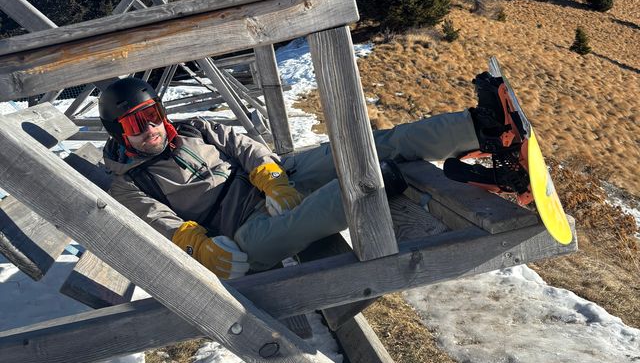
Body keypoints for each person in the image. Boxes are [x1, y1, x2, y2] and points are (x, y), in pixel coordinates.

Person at [99, 74, 512, 280]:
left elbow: (245, 147)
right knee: (295, 227)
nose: (149, 129)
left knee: (361, 146)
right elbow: (158, 221)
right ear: (119, 132)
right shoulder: (128, 182)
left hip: (272, 178)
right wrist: (199, 247)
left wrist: (272, 179)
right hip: (241, 229)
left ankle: (482, 128)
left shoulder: (194, 128)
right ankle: (377, 182)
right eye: (135, 125)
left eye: (152, 115)